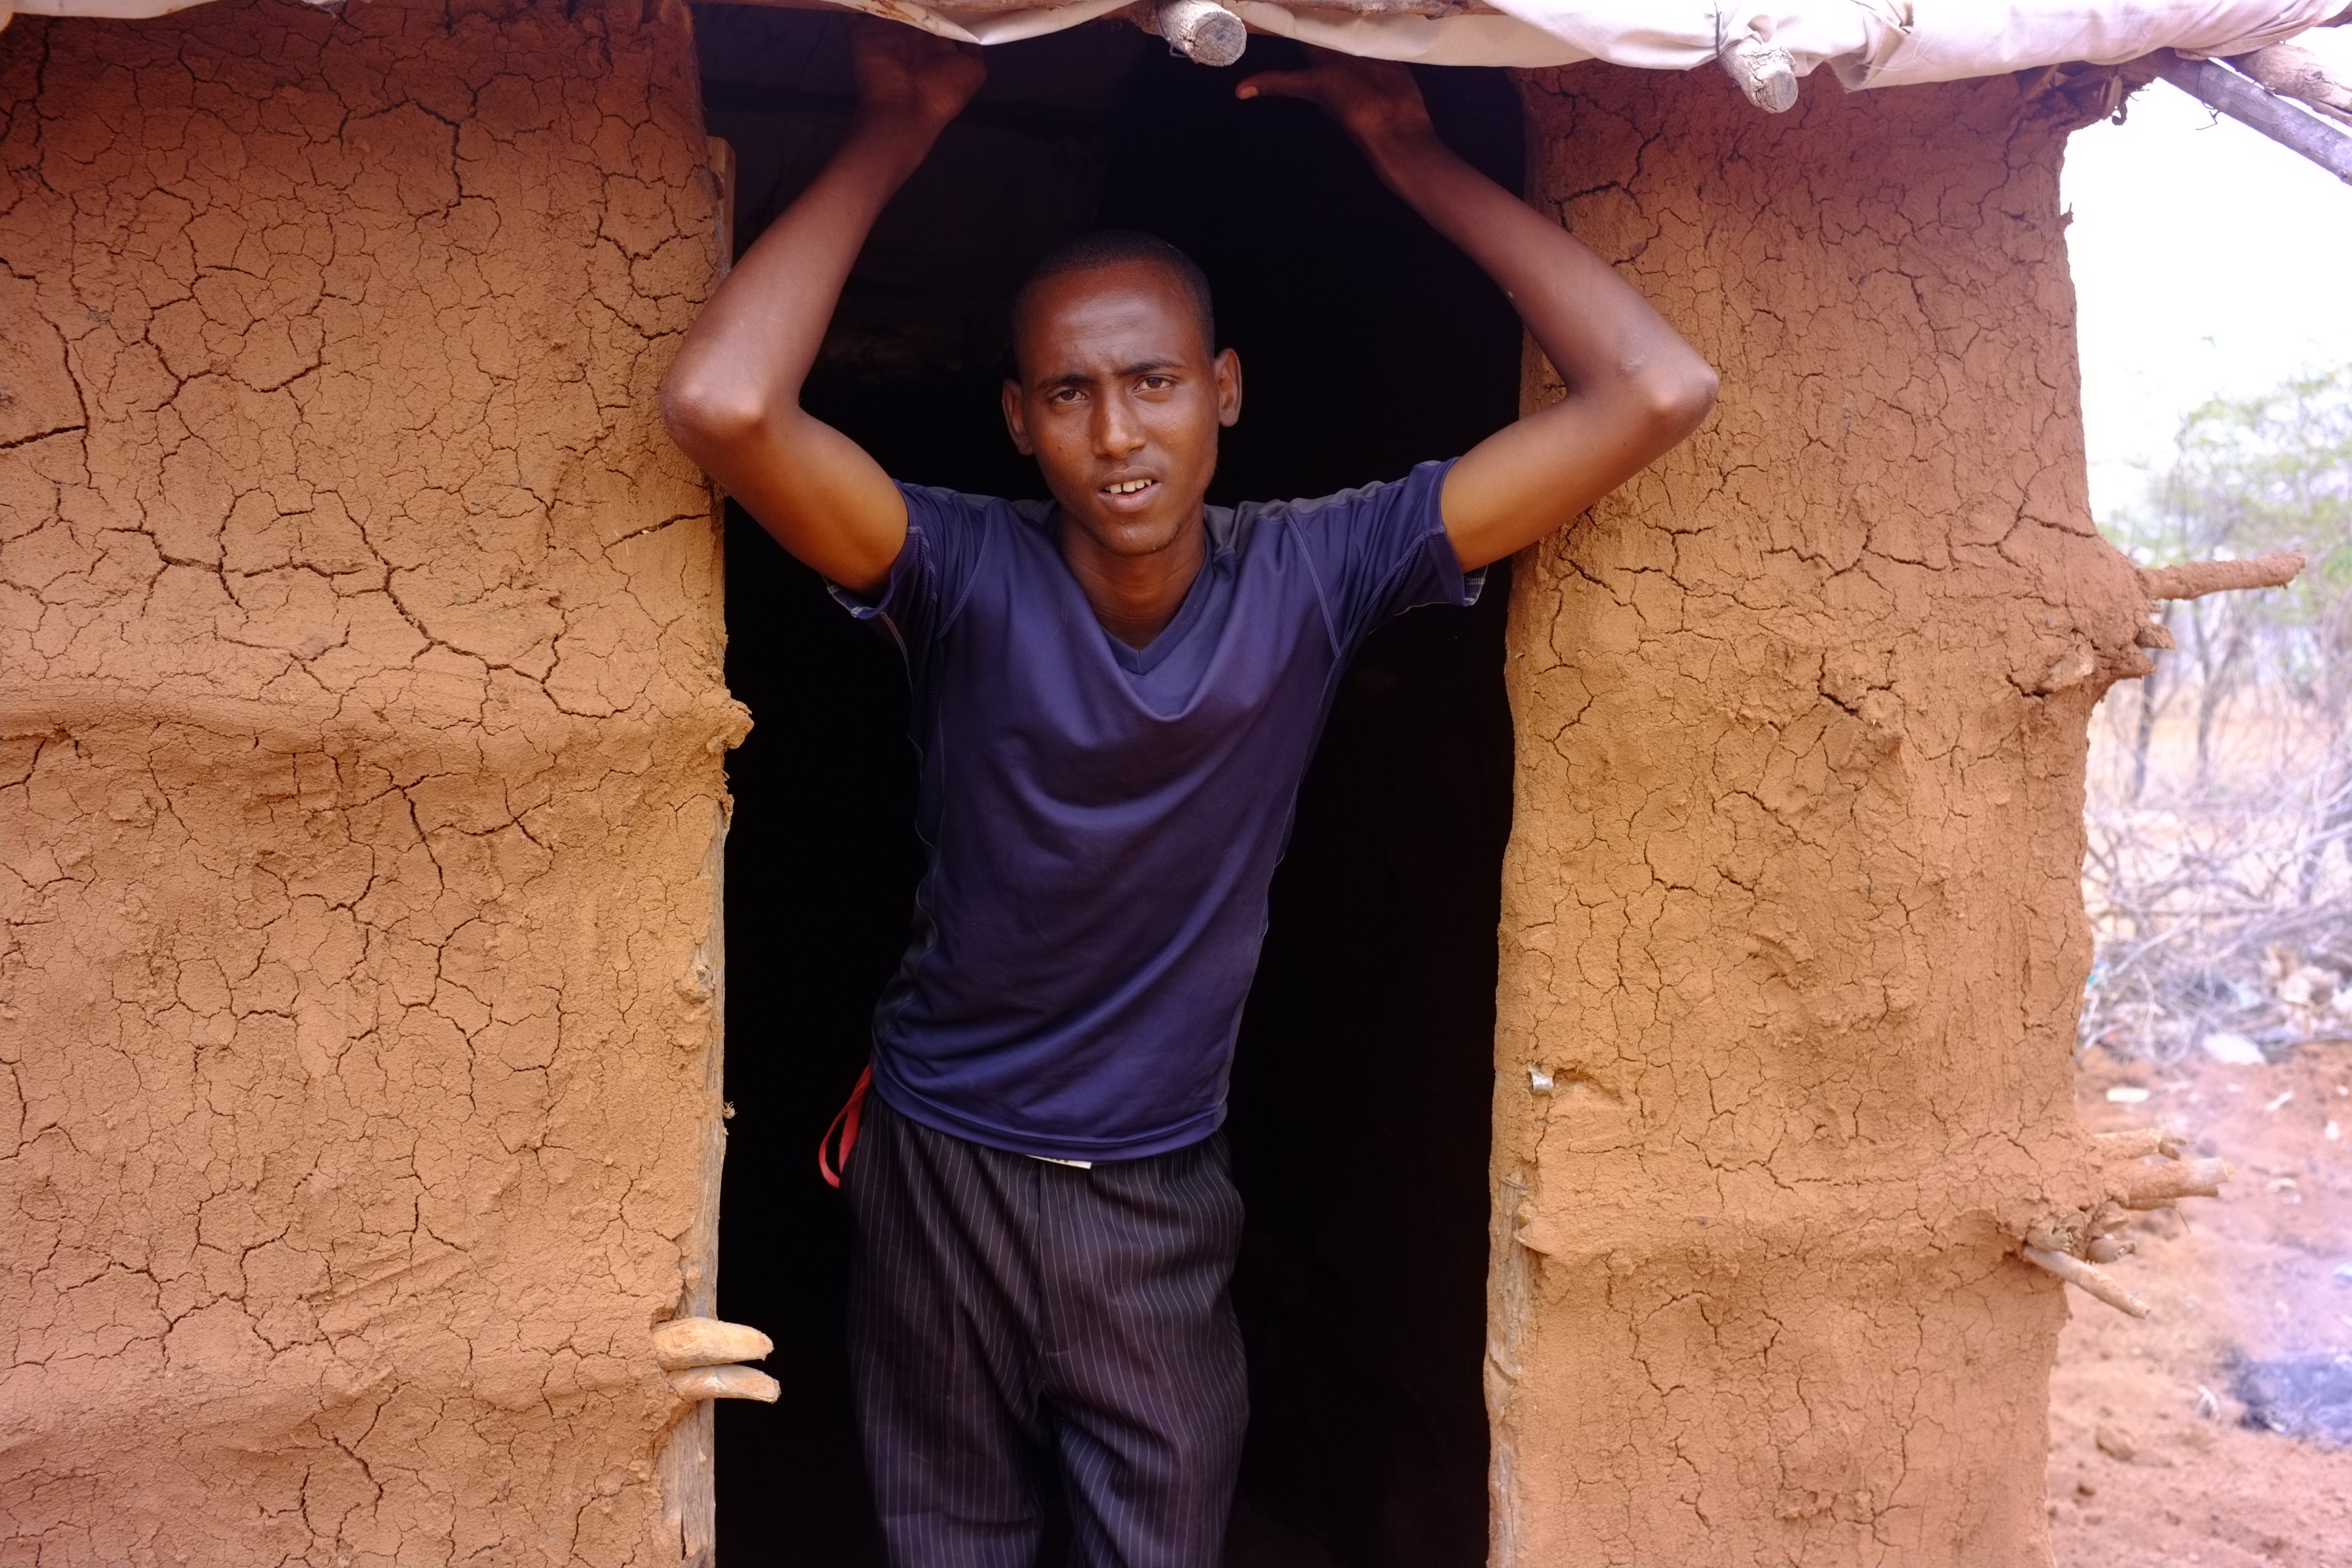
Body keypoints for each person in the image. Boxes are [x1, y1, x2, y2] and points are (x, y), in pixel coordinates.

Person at [662, 22, 1715, 1566]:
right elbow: (728, 407)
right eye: (1071, 391)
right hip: (938, 1166)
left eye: (1153, 380)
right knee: (946, 1541)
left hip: (1154, 1194)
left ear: (1222, 389)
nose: (1117, 431)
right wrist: (901, 124)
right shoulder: (955, 568)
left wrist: (1415, 156)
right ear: (1018, 417)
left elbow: (1659, 385)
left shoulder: (1321, 568)